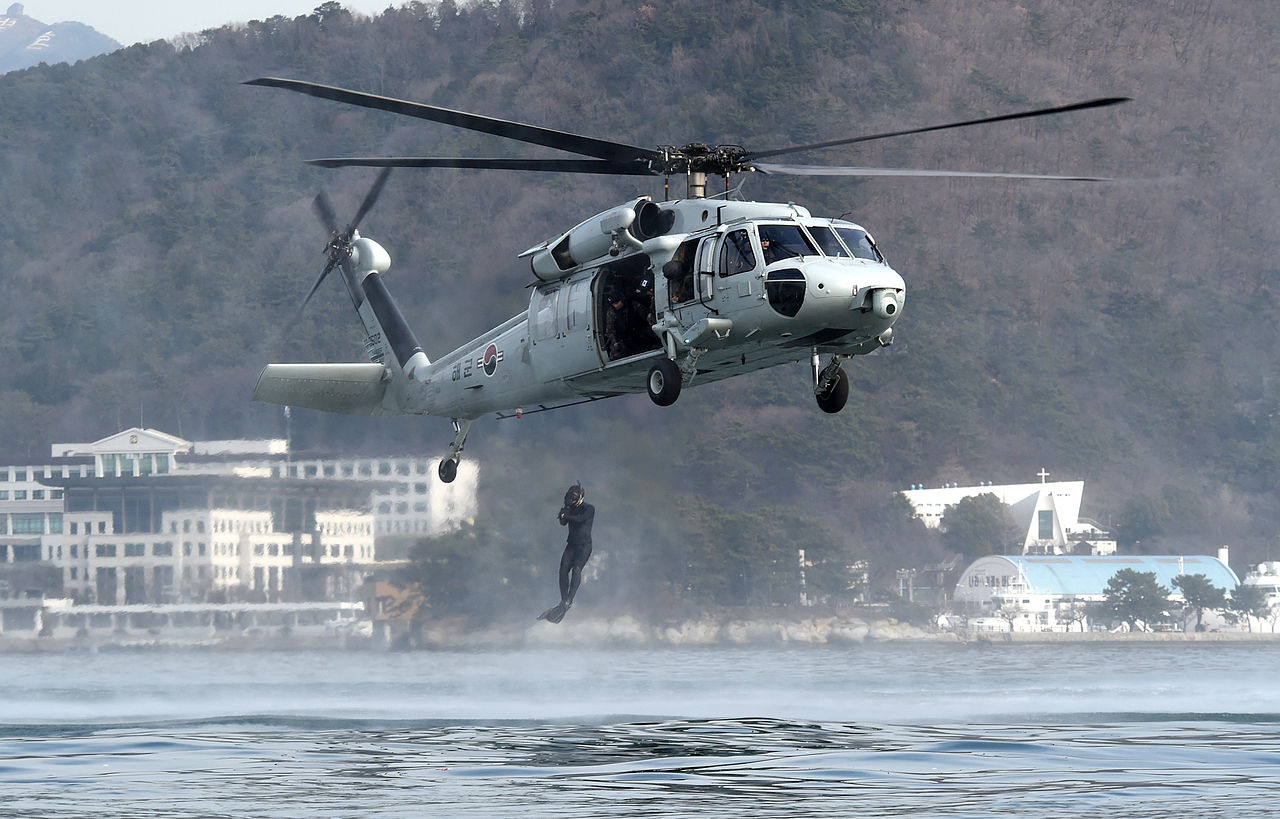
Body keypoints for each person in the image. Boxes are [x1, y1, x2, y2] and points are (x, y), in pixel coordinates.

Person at [540, 482, 594, 622]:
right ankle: (564, 600)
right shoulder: (569, 509)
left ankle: (569, 599)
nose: (571, 499)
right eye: (570, 496)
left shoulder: (589, 508)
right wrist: (564, 513)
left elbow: (580, 519)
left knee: (576, 570)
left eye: (574, 497)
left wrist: (566, 515)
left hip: (584, 546)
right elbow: (563, 523)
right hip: (571, 545)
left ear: (580, 497)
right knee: (563, 570)